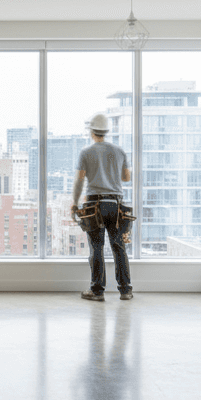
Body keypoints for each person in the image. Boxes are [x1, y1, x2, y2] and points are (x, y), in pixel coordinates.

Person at [72, 113, 132, 301]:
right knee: (118, 246)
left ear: (91, 131)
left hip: (93, 205)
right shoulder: (119, 151)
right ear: (106, 131)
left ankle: (97, 291)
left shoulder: (86, 152)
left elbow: (79, 181)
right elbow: (126, 178)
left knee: (96, 248)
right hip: (115, 204)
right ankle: (125, 290)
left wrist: (74, 203)